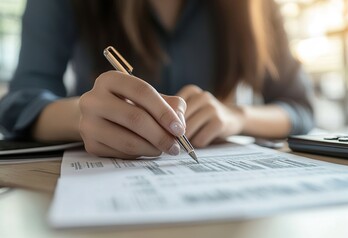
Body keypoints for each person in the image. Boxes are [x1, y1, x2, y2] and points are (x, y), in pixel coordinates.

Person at [0, 0, 314, 159]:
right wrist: (82, 114)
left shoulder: (257, 7)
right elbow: (19, 105)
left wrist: (237, 116)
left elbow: (298, 108)